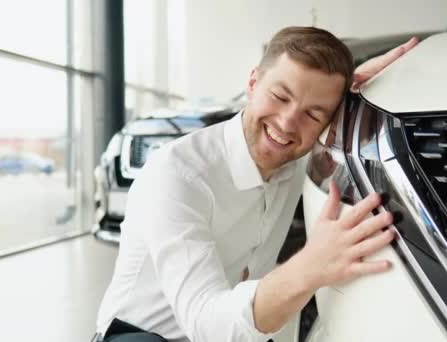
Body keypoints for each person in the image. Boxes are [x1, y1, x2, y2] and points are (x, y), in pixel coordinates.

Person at [94, 26, 418, 342]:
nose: (287, 122)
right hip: (145, 336)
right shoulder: (178, 175)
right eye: (279, 96)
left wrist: (363, 96)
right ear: (253, 82)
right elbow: (207, 325)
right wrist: (311, 266)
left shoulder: (296, 157)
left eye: (313, 113)